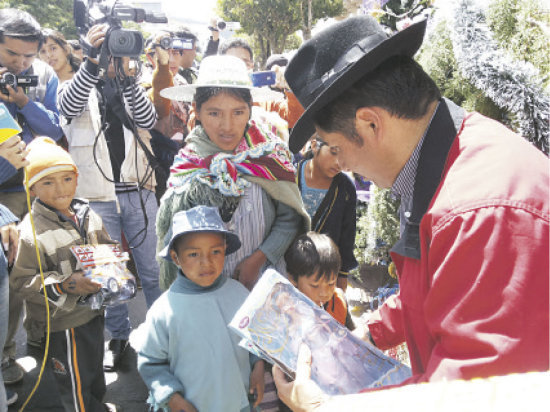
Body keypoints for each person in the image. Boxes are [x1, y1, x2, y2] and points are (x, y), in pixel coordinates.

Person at [273, 15, 549, 409]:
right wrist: (370, 334)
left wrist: (326, 406)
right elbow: (443, 287)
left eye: (335, 147)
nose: (343, 163)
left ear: (369, 124)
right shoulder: (449, 157)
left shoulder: (478, 212)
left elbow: (470, 396)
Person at [57, 23, 161, 372]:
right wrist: (92, 63)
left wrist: (128, 77)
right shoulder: (74, 86)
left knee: (153, 270)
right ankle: (119, 338)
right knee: (109, 277)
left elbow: (148, 118)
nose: (114, 57)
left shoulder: (133, 86)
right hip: (96, 196)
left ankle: (164, 334)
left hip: (138, 189)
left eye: (119, 50)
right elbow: (67, 110)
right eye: (109, 50)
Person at [157, 55, 309, 293]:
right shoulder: (189, 165)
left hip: (265, 285)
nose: (227, 126)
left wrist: (258, 259)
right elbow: (177, 243)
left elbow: (289, 219)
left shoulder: (269, 155)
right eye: (214, 113)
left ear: (250, 109)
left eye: (238, 112)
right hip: (207, 292)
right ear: (196, 110)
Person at [9, 137, 114, 411]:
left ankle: (96, 405)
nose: (60, 189)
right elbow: (21, 284)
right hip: (62, 324)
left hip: (93, 311)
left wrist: (112, 264)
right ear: (31, 189)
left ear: (76, 180)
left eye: (67, 178)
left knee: (94, 371)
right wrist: (66, 285)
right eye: (47, 182)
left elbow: (105, 245)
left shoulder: (88, 214)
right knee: (73, 381)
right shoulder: (30, 234)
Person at [136, 205, 265, 412]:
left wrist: (258, 367)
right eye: (194, 254)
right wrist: (172, 398)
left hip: (237, 404)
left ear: (225, 251)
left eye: (215, 251)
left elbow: (253, 341)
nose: (206, 262)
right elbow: (150, 362)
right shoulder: (164, 311)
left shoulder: (239, 295)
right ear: (176, 258)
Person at [0, 7, 64, 389]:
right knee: (4, 280)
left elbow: (54, 130)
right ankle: (5, 353)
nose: (22, 63)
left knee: (32, 271)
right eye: (12, 55)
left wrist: (23, 103)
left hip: (32, 190)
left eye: (29, 55)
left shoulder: (45, 76)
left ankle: (35, 342)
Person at [296, 137, 358, 291]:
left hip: (322, 279)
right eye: (333, 152)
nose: (339, 162)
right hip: (287, 272)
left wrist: (341, 278)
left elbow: (347, 237)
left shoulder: (345, 188)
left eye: (344, 156)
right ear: (315, 145)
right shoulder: (290, 176)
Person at [0, 134, 28, 409]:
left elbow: (52, 126)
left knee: (13, 278)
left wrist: (23, 102)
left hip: (18, 194)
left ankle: (5, 353)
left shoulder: (7, 108)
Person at [285, 232, 354, 330]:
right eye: (315, 285)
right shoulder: (285, 309)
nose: (324, 293)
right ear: (293, 278)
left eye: (331, 283)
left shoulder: (339, 302)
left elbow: (352, 337)